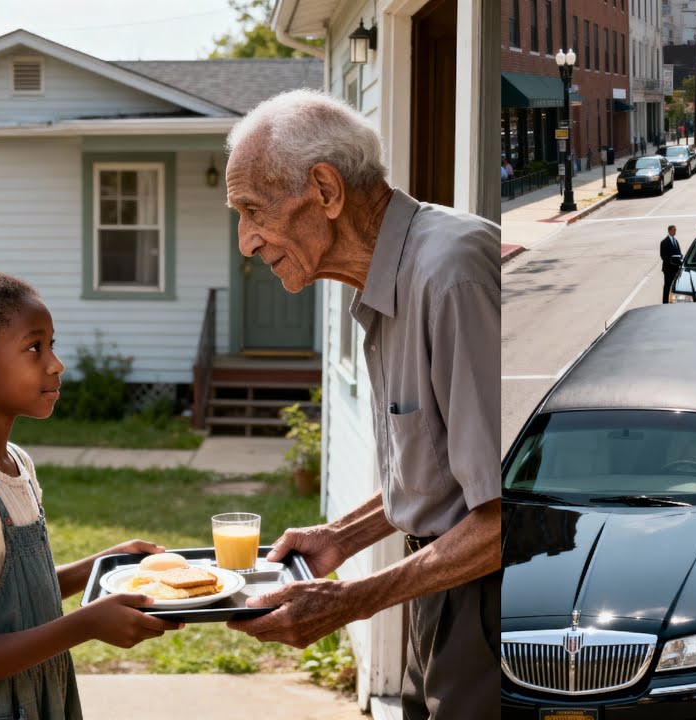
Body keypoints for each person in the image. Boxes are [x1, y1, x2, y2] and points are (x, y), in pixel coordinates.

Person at [222, 90, 500, 719]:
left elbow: (503, 516)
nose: (245, 241)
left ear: (324, 190)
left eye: (252, 211)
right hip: (437, 580)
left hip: (484, 597)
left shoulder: (450, 273)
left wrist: (352, 600)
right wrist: (341, 537)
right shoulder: (385, 281)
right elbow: (444, 470)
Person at [0, 268, 180, 719]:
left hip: (33, 697)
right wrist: (87, 624)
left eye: (51, 345)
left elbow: (12, 598)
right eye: (34, 347)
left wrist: (104, 564)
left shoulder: (13, 462)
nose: (55, 363)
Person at [660, 224, 683, 303]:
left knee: (675, 286)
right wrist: (672, 261)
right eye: (674, 230)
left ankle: (674, 300)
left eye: (675, 230)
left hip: (676, 268)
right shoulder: (664, 242)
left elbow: (679, 252)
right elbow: (663, 256)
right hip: (668, 269)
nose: (675, 231)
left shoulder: (675, 241)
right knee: (667, 286)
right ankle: (665, 301)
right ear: (669, 231)